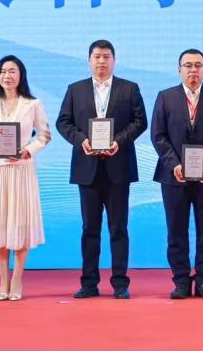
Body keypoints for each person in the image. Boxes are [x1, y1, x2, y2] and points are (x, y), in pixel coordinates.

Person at [55, 40, 148, 299]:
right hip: (87, 169)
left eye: (106, 57)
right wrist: (80, 140)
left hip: (119, 168)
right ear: (89, 60)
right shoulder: (75, 90)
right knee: (90, 229)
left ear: (114, 60)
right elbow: (63, 122)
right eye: (97, 57)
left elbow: (140, 121)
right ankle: (89, 283)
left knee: (119, 229)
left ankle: (120, 284)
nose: (101, 61)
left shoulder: (129, 88)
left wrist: (119, 141)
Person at [151, 49, 203, 300]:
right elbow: (158, 135)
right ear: (179, 70)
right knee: (176, 231)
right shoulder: (165, 97)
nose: (193, 70)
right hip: (173, 176)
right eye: (188, 65)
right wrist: (174, 163)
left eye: (198, 65)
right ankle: (181, 281)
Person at [0, 55, 51, 301]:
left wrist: (28, 150)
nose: (7, 76)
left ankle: (17, 277)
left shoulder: (32, 104)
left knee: (20, 223)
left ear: (21, 76)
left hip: (21, 168)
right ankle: (3, 281)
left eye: (12, 71)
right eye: (3, 71)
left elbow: (45, 135)